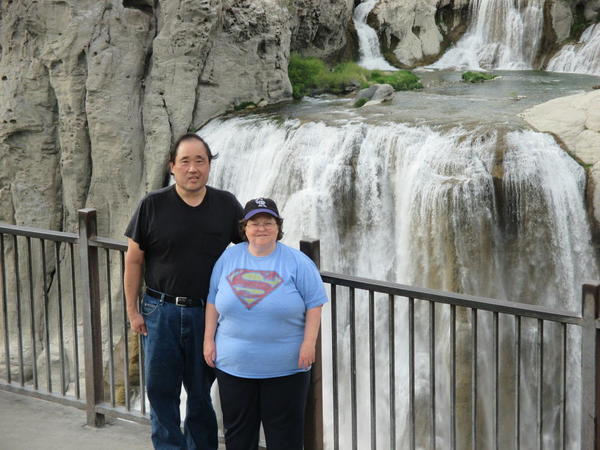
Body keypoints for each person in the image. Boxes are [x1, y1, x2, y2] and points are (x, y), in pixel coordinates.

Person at [124, 133, 243, 450]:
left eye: (200, 160)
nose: (193, 168)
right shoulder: (153, 204)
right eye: (186, 161)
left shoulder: (226, 204)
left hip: (207, 315)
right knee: (160, 391)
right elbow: (134, 259)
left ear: (209, 166)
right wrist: (133, 311)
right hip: (158, 311)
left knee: (201, 393)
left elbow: (252, 250)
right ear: (172, 166)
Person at [203, 197, 328, 450]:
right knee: (238, 436)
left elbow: (315, 304)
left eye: (268, 222)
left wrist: (308, 344)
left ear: (278, 228)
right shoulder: (228, 258)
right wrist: (208, 340)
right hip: (233, 366)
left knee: (285, 438)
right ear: (244, 229)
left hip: (286, 368)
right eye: (254, 223)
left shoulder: (297, 262)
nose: (261, 228)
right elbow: (213, 300)